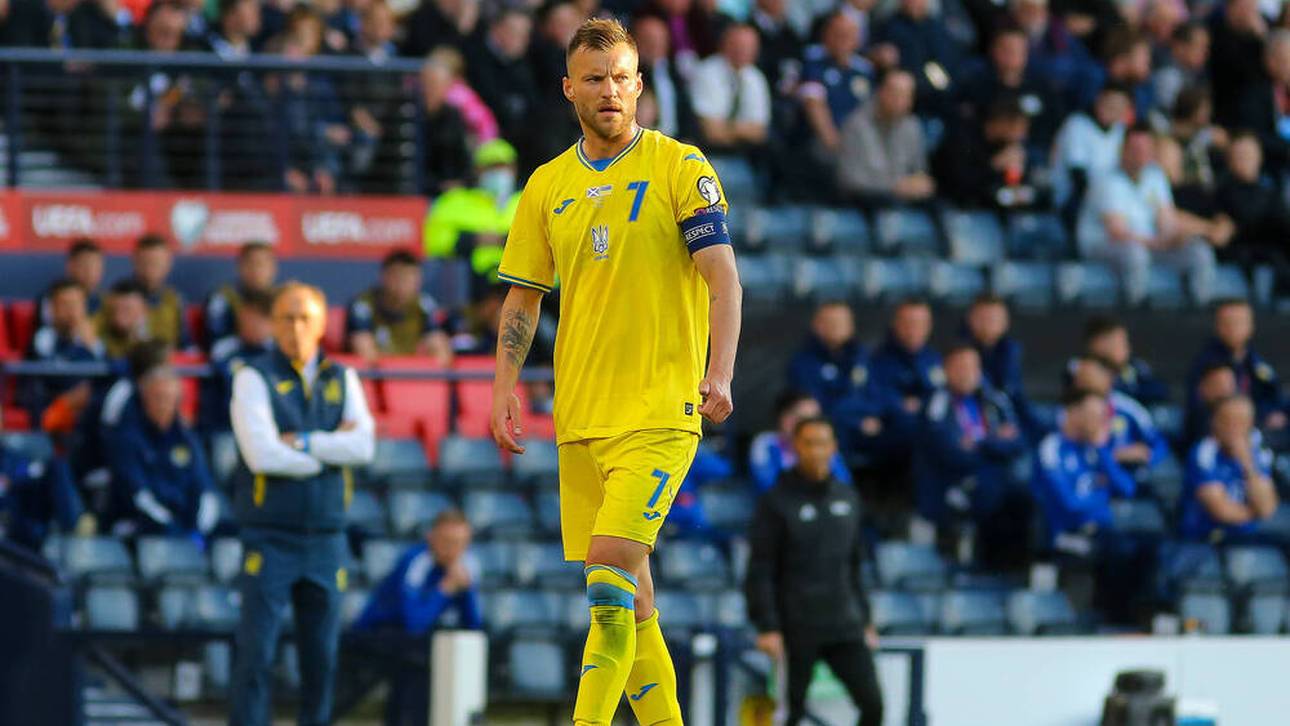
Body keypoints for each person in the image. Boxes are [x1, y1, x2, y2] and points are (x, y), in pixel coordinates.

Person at [489, 18, 741, 725]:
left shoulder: (679, 166)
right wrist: (503, 389)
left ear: (640, 84)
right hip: (581, 418)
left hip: (661, 411)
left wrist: (718, 373)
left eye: (623, 76)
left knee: (606, 579)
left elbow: (725, 280)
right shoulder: (547, 186)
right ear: (570, 88)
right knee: (636, 600)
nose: (610, 90)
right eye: (595, 78)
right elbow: (522, 297)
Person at [229, 281, 376, 726]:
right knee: (256, 655)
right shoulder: (251, 376)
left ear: (322, 324)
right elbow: (262, 454)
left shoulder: (343, 376)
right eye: (286, 318)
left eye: (305, 318)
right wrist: (330, 451)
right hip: (269, 536)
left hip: (327, 541)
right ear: (272, 324)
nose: (295, 327)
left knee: (322, 661)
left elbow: (365, 447)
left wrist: (306, 443)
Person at [745, 417, 883, 726]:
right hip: (796, 627)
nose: (816, 451)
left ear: (833, 447)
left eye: (823, 443)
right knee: (789, 715)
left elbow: (855, 565)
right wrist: (767, 626)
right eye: (808, 443)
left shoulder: (847, 497)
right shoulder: (776, 502)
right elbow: (761, 568)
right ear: (796, 447)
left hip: (844, 623)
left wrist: (866, 618)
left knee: (873, 705)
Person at [353, 509, 482, 726]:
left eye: (460, 543)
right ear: (431, 538)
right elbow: (414, 622)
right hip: (375, 633)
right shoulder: (416, 561)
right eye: (447, 541)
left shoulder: (465, 565)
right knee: (419, 655)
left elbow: (473, 626)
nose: (453, 550)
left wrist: (466, 591)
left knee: (428, 652)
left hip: (410, 644)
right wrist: (446, 589)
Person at [1032, 387, 1147, 622]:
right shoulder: (1052, 448)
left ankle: (1122, 621)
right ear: (1073, 413)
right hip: (1065, 534)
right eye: (1094, 416)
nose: (1100, 422)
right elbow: (1069, 504)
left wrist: (1103, 451)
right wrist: (1101, 496)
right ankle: (1103, 620)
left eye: (1103, 417)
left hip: (1100, 532)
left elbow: (1127, 489)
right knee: (1117, 551)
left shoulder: (1095, 449)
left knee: (1146, 547)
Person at [1077, 122, 1217, 306]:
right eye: (1135, 149)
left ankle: (1201, 307)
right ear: (1123, 150)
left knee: (1199, 252)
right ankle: (1136, 307)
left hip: (1149, 244)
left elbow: (1166, 220)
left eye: (1146, 148)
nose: (1141, 154)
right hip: (1104, 245)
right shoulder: (1107, 179)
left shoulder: (1155, 176)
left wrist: (1177, 237)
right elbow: (1117, 231)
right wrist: (1158, 242)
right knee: (1136, 254)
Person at [915, 345, 1028, 565]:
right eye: (960, 367)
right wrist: (996, 442)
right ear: (946, 370)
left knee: (1023, 494)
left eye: (972, 366)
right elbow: (950, 452)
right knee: (991, 488)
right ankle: (972, 562)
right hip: (951, 483)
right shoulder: (937, 402)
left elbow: (1018, 442)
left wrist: (980, 442)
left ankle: (1007, 566)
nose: (967, 373)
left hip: (995, 476)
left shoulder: (995, 399)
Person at [107, 362, 219, 539]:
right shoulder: (128, 437)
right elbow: (137, 494)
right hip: (141, 524)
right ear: (144, 399)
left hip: (184, 523)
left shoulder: (186, 437)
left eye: (169, 398)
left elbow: (205, 489)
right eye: (158, 398)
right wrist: (171, 525)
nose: (163, 405)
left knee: (226, 533)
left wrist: (198, 528)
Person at [1182, 395, 1290, 544]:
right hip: (1203, 541)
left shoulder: (1258, 453)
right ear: (1215, 422)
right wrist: (1256, 513)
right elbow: (1221, 512)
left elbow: (1267, 507)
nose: (1234, 428)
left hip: (1248, 540)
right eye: (1228, 421)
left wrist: (1248, 464)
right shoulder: (1203, 453)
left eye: (1241, 422)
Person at [422, 140, 522, 288]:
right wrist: (474, 239)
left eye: (503, 166)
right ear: (477, 170)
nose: (499, 173)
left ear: (514, 169)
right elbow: (434, 241)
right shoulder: (454, 201)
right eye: (491, 167)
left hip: (520, 283)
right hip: (469, 284)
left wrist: (504, 240)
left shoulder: (527, 200)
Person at [1187, 299, 1286, 437]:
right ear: (1218, 327)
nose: (1233, 328)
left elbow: (1273, 393)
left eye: (1240, 322)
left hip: (1261, 430)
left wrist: (1274, 413)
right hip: (1220, 437)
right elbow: (1208, 415)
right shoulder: (1210, 364)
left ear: (1251, 326)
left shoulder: (1254, 361)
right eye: (1228, 323)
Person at [837, 68, 934, 206]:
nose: (900, 101)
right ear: (881, 92)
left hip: (902, 198)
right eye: (895, 94)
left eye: (906, 96)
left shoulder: (912, 126)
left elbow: (919, 171)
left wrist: (922, 184)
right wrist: (895, 187)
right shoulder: (856, 125)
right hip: (864, 200)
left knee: (942, 210)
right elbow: (849, 179)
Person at [933, 94, 1046, 210]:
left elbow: (1004, 191)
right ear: (1003, 122)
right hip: (952, 208)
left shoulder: (1008, 146)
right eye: (1019, 128)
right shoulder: (962, 139)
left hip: (989, 212)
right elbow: (961, 185)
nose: (1023, 135)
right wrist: (994, 165)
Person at [1068, 356, 1170, 476]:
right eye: (1083, 377)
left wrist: (1146, 455)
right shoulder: (1069, 411)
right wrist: (1115, 455)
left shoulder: (1127, 407)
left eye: (1095, 375)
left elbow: (1159, 444)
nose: (1088, 381)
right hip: (1085, 480)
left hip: (1128, 478)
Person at [22, 278, 105, 425]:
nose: (71, 311)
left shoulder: (97, 340)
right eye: (65, 304)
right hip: (51, 409)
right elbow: (49, 378)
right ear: (53, 308)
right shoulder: (43, 338)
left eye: (76, 304)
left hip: (91, 411)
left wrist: (92, 346)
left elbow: (105, 378)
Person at [345, 250, 453, 363]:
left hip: (407, 375)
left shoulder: (424, 304)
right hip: (371, 377)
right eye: (399, 277)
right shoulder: (363, 305)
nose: (404, 285)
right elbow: (365, 353)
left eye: (411, 278)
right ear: (385, 277)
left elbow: (441, 353)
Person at [688, 23, 772, 158]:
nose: (743, 50)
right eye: (738, 44)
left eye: (749, 46)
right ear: (724, 44)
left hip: (746, 156)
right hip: (708, 154)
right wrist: (744, 130)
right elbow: (712, 133)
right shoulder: (707, 72)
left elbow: (760, 132)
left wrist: (727, 128)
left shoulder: (756, 77)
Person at [799, 11, 875, 158]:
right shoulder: (812, 61)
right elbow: (813, 104)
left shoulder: (864, 70)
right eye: (838, 34)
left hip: (859, 141)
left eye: (848, 35)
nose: (843, 40)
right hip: (821, 141)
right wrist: (836, 145)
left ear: (857, 40)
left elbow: (870, 108)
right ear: (826, 35)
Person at [1050, 82, 1130, 217]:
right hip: (1073, 201)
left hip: (1109, 200)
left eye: (1117, 107)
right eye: (1109, 103)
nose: (1111, 109)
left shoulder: (1121, 131)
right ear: (1098, 100)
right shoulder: (1076, 124)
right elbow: (1078, 178)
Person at [749, 390, 852, 492]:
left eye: (816, 418)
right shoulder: (765, 443)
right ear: (785, 418)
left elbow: (843, 484)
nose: (813, 426)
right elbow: (766, 484)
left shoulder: (824, 444)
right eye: (804, 419)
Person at [202, 289, 274, 432]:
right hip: (226, 427)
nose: (249, 323)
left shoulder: (279, 353)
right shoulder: (225, 350)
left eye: (257, 319)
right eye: (246, 316)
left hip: (268, 428)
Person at [1066, 315, 1169, 405]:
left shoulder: (1134, 368)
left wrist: (1130, 389)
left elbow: (1160, 391)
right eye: (1120, 343)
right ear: (1099, 343)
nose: (1127, 349)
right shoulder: (1078, 368)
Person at [869, 297, 942, 417]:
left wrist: (923, 404)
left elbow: (941, 395)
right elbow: (873, 395)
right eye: (908, 323)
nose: (913, 330)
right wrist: (899, 404)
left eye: (920, 324)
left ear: (929, 326)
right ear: (895, 324)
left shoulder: (934, 358)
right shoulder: (877, 359)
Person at [204, 241, 278, 347]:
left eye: (262, 264)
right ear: (240, 266)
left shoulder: (282, 298)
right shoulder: (223, 298)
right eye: (251, 263)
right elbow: (216, 342)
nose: (256, 270)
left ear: (273, 268)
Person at [129, 233, 190, 349]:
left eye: (157, 262)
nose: (150, 268)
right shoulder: (118, 298)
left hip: (167, 364)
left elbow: (185, 343)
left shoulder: (175, 300)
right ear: (135, 261)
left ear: (168, 263)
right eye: (146, 262)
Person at [35, 238, 104, 333]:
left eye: (95, 266)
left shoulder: (103, 301)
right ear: (70, 266)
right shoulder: (51, 298)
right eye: (85, 265)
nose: (90, 272)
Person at [1153, 21, 1210, 116]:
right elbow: (1170, 117)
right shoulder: (1168, 76)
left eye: (1206, 47)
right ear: (1180, 47)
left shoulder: (1194, 73)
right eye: (1199, 46)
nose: (1205, 53)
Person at [1183, 362, 1238, 448]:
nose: (1226, 390)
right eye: (1220, 384)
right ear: (1203, 387)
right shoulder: (1199, 416)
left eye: (1230, 383)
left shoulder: (1240, 412)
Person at [96, 279, 152, 361]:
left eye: (127, 310)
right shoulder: (99, 332)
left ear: (144, 310)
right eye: (114, 309)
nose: (119, 316)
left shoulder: (158, 336)